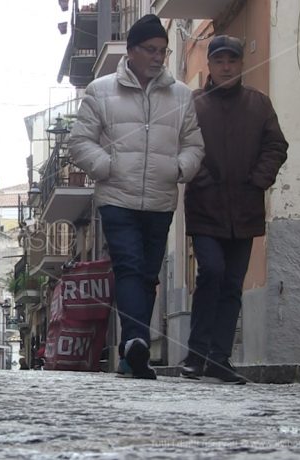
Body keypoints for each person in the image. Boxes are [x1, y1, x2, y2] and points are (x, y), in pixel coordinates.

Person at [69, 14, 204, 379]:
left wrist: (179, 170)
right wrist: (106, 166)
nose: (158, 56)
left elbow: (194, 145)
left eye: (163, 50)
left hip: (160, 199)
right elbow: (79, 141)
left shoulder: (180, 95)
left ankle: (133, 352)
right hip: (117, 197)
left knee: (148, 276)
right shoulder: (101, 90)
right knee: (128, 266)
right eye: (150, 49)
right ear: (131, 52)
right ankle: (136, 340)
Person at [181, 36, 288, 384]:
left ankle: (219, 358)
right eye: (220, 61)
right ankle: (196, 356)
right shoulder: (194, 104)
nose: (226, 66)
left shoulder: (258, 104)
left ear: (241, 64)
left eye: (232, 60)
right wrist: (203, 179)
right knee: (210, 272)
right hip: (206, 207)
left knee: (231, 284)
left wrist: (258, 180)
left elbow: (276, 145)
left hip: (245, 208)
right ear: (209, 66)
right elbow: (183, 146)